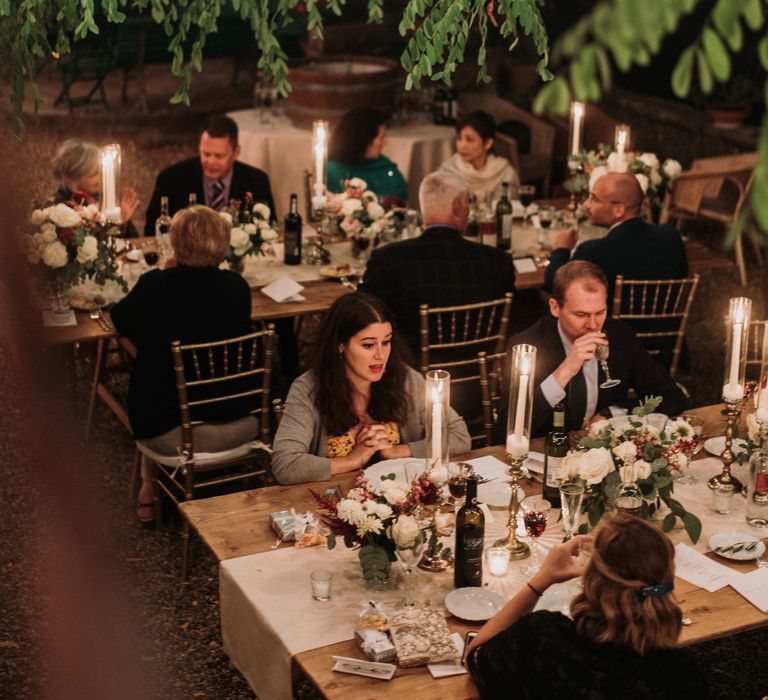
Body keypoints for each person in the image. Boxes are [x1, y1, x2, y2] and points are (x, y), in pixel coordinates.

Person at [112, 206, 258, 522]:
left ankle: (147, 488)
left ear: (177, 244)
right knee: (169, 377)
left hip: (172, 434)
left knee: (153, 376)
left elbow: (119, 319)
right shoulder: (237, 286)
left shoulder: (155, 286)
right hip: (243, 424)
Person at [466, 514, 708, 699]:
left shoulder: (542, 637)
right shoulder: (683, 673)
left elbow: (476, 656)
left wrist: (541, 580)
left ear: (592, 579)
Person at [271, 292, 471, 484]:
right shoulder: (308, 389)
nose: (381, 355)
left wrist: (397, 451)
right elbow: (285, 465)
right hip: (330, 502)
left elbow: (459, 436)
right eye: (368, 345)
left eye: (386, 342)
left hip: (401, 497)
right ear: (340, 345)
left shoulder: (405, 378)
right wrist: (354, 460)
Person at [502, 260, 686, 438]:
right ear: (555, 308)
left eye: (600, 312)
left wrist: (612, 414)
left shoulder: (619, 335)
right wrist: (564, 371)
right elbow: (506, 429)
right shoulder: (527, 346)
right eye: (581, 314)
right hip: (547, 453)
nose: (593, 325)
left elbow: (671, 396)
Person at [358, 171, 516, 355]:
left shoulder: (388, 259)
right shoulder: (498, 261)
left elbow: (362, 314)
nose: (469, 211)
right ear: (457, 207)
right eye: (468, 205)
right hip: (480, 373)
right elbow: (513, 323)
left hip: (410, 375)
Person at [545, 171, 688, 302]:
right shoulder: (670, 235)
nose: (586, 204)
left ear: (618, 210)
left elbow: (556, 286)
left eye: (594, 199)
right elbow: (682, 276)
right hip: (667, 327)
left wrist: (561, 249)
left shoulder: (592, 252)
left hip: (610, 329)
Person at [144, 114, 275, 236]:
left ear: (236, 152)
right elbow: (151, 232)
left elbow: (269, 231)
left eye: (219, 156)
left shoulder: (257, 182)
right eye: (206, 154)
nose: (210, 162)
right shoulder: (171, 179)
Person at [51, 138, 140, 236]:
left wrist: (122, 221)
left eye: (103, 171)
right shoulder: (61, 208)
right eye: (96, 173)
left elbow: (132, 241)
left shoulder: (102, 199)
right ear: (75, 175)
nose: (103, 177)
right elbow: (90, 246)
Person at [326, 107, 408, 202]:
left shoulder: (384, 167)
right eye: (381, 138)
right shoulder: (333, 172)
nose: (385, 142)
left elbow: (401, 203)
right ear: (364, 141)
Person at [439, 110, 520, 203]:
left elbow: (507, 211)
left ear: (488, 143)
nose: (462, 145)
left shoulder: (504, 173)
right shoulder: (448, 171)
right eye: (459, 138)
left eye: (469, 140)